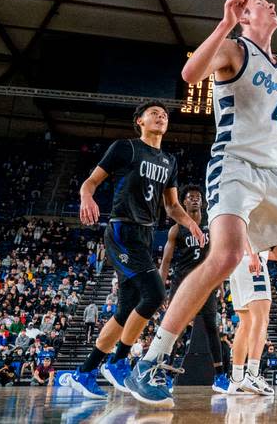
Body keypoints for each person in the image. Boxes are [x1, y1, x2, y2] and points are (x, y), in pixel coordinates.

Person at [124, 0, 277, 408]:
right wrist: (225, 23)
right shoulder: (233, 48)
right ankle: (151, 362)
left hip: (275, 176)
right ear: (246, 15)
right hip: (234, 165)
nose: (273, 6)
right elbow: (191, 74)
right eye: (264, 3)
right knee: (225, 256)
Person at [67, 101, 201, 401]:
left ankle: (85, 372)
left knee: (126, 309)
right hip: (121, 229)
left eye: (164, 114)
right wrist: (86, 197)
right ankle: (118, 362)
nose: (161, 116)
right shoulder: (124, 148)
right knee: (154, 293)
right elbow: (91, 182)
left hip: (145, 234)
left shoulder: (169, 161)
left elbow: (171, 206)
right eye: (154, 113)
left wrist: (191, 224)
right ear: (139, 121)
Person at [158, 184, 230, 393]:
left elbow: (217, 256)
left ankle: (220, 377)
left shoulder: (211, 228)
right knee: (175, 329)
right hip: (181, 284)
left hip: (205, 284)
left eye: (198, 197)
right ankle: (164, 374)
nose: (195, 200)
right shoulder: (176, 229)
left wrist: (222, 282)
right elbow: (166, 262)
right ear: (184, 202)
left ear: (203, 202)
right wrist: (161, 289)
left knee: (211, 328)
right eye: (190, 197)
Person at [225, 248, 273, 396]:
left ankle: (236, 380)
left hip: (236, 262)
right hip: (251, 259)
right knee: (261, 318)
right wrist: (253, 255)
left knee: (246, 323)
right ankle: (252, 374)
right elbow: (246, 227)